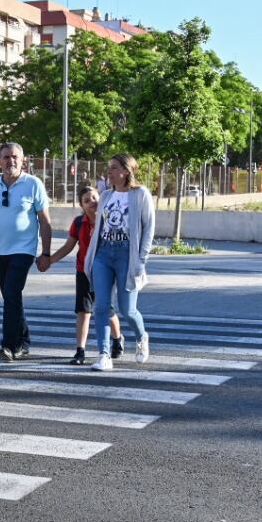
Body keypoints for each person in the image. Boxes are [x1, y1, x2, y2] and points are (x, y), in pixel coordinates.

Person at [0, 142, 53, 362]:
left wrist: (46, 253)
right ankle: (23, 342)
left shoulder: (33, 184)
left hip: (24, 250)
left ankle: (8, 345)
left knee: (12, 293)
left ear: (23, 159)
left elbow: (45, 221)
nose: (10, 161)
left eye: (14, 156)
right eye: (6, 157)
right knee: (11, 296)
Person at [80, 153, 155, 369]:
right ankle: (104, 354)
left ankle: (141, 337)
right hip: (103, 253)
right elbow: (99, 228)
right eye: (109, 168)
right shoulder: (106, 195)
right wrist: (91, 256)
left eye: (113, 168)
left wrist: (142, 259)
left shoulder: (140, 194)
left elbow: (148, 228)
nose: (109, 172)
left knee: (127, 310)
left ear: (125, 171)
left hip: (127, 255)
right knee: (101, 306)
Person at [46, 186, 123, 365]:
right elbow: (68, 246)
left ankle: (117, 339)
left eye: (94, 198)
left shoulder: (110, 220)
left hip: (105, 271)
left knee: (106, 309)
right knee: (83, 311)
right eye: (86, 201)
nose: (92, 203)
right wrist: (50, 260)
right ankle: (80, 351)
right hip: (84, 271)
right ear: (81, 205)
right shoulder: (79, 223)